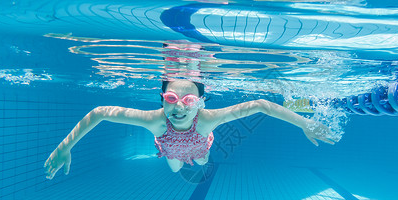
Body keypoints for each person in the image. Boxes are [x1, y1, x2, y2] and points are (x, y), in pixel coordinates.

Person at [44, 79, 337, 179]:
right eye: (171, 98)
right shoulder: (155, 119)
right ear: (162, 99)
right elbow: (100, 113)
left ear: (200, 103)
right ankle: (179, 162)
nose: (179, 107)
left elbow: (261, 104)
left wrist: (305, 123)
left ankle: (200, 156)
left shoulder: (207, 119)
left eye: (189, 100)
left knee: (201, 161)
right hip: (168, 148)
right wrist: (64, 147)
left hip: (200, 144)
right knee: (173, 168)